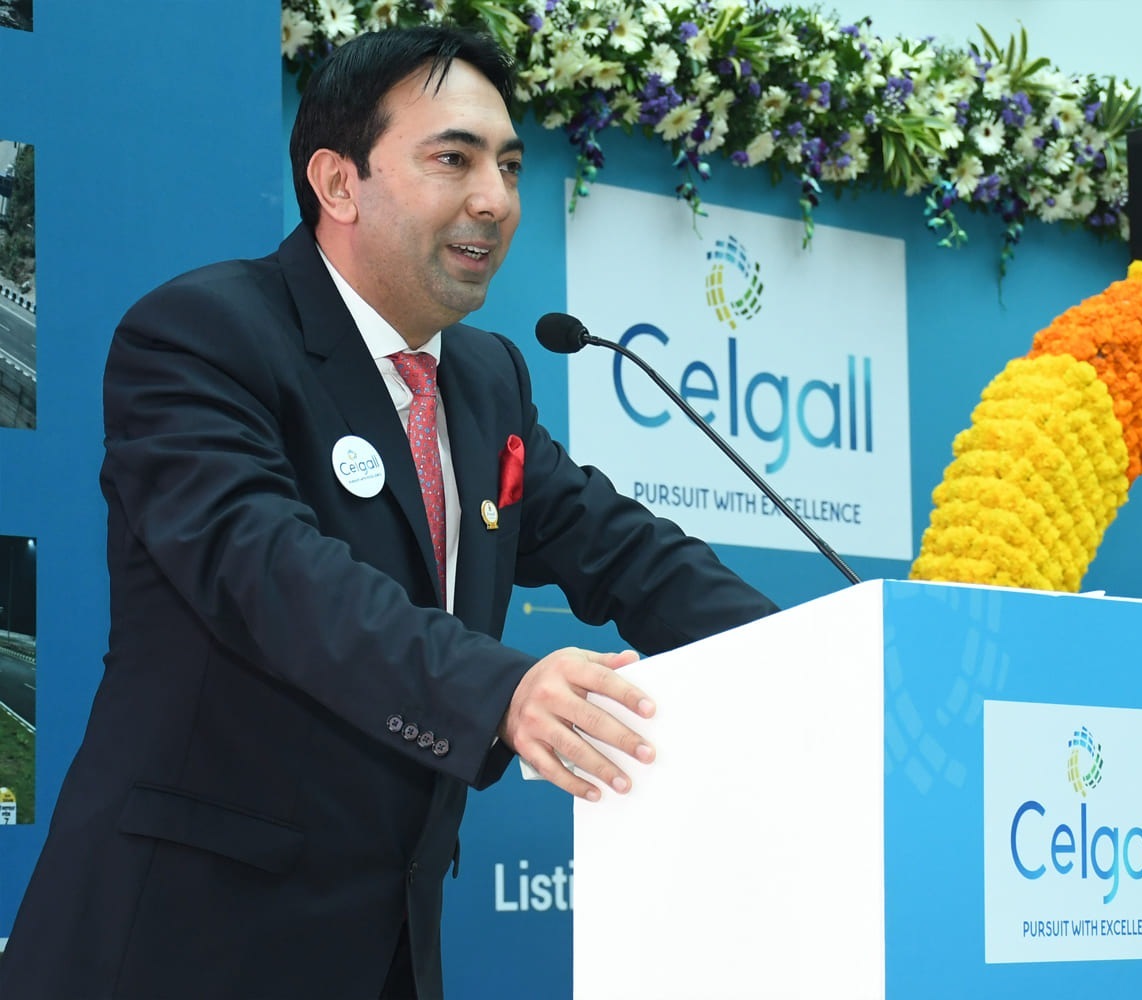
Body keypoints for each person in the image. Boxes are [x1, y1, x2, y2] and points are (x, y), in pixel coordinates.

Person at [0, 25, 777, 1000]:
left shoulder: (486, 380)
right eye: (453, 159)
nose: (494, 199)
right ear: (338, 182)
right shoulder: (203, 336)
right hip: (179, 945)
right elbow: (273, 577)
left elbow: (622, 551)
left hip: (381, 954)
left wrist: (820, 652)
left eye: (508, 166)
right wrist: (504, 690)